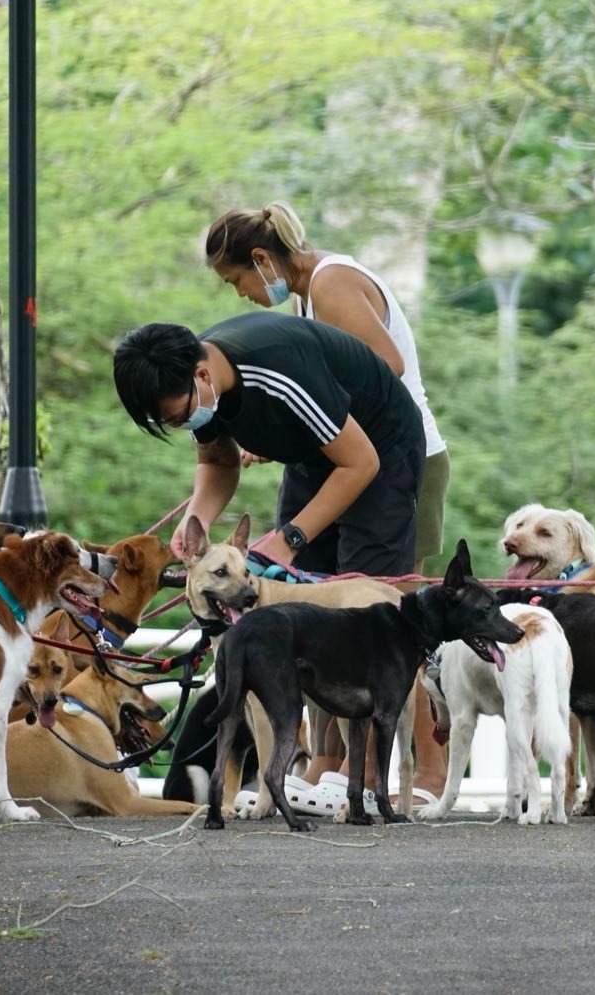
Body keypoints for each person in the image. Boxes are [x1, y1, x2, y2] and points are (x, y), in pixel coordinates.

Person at [201, 201, 453, 803]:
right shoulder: (303, 296)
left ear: (262, 261)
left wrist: (322, 429)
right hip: (345, 463)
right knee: (323, 610)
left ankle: (425, 776)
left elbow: (381, 371)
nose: (239, 294)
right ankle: (330, 764)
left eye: (236, 279)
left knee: (394, 620)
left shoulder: (334, 284)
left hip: (399, 462)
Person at [113, 315, 424, 579]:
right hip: (312, 452)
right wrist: (197, 518)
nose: (179, 425)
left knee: (363, 592)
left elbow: (360, 463)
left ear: (202, 376)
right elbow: (218, 461)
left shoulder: (276, 370)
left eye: (179, 417)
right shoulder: (200, 385)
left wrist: (289, 540)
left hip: (381, 449)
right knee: (295, 584)